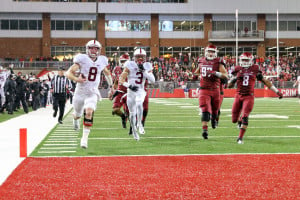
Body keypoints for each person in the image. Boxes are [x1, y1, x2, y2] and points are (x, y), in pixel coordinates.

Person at [66, 39, 113, 149]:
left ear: (99, 50)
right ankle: (75, 118)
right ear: (87, 49)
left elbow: (107, 73)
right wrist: (77, 79)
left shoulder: (102, 60)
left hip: (92, 92)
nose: (93, 50)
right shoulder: (82, 59)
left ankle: (84, 139)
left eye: (96, 48)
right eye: (91, 48)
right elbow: (68, 73)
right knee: (77, 114)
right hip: (80, 92)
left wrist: (111, 86)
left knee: (89, 112)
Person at [228, 52, 283, 144]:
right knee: (234, 119)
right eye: (243, 60)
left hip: (249, 96)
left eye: (246, 60)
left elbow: (265, 81)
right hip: (238, 95)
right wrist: (233, 80)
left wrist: (277, 91)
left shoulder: (255, 69)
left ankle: (240, 138)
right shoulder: (237, 69)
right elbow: (229, 86)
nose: (245, 62)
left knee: (245, 116)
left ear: (251, 61)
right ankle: (239, 120)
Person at [119, 48, 155, 141]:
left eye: (141, 57)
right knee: (131, 114)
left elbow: (153, 80)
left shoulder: (147, 65)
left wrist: (144, 71)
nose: (140, 59)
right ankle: (135, 132)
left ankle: (140, 124)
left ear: (145, 57)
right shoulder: (129, 64)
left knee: (139, 103)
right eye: (138, 57)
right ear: (134, 57)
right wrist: (129, 85)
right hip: (131, 91)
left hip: (140, 90)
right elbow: (121, 79)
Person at [194, 44, 228, 139]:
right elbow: (196, 72)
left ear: (216, 53)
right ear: (206, 52)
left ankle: (214, 120)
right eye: (209, 51)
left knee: (215, 111)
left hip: (215, 89)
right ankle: (205, 130)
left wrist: (216, 73)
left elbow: (226, 75)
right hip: (204, 89)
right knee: (205, 110)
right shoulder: (201, 61)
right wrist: (195, 75)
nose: (211, 53)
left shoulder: (218, 62)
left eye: (213, 52)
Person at [110, 53, 130, 129]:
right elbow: (116, 81)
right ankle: (123, 117)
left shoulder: (132, 69)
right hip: (120, 92)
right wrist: (113, 90)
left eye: (125, 61)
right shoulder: (117, 69)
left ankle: (135, 125)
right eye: (122, 61)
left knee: (129, 112)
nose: (123, 63)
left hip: (129, 93)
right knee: (115, 110)